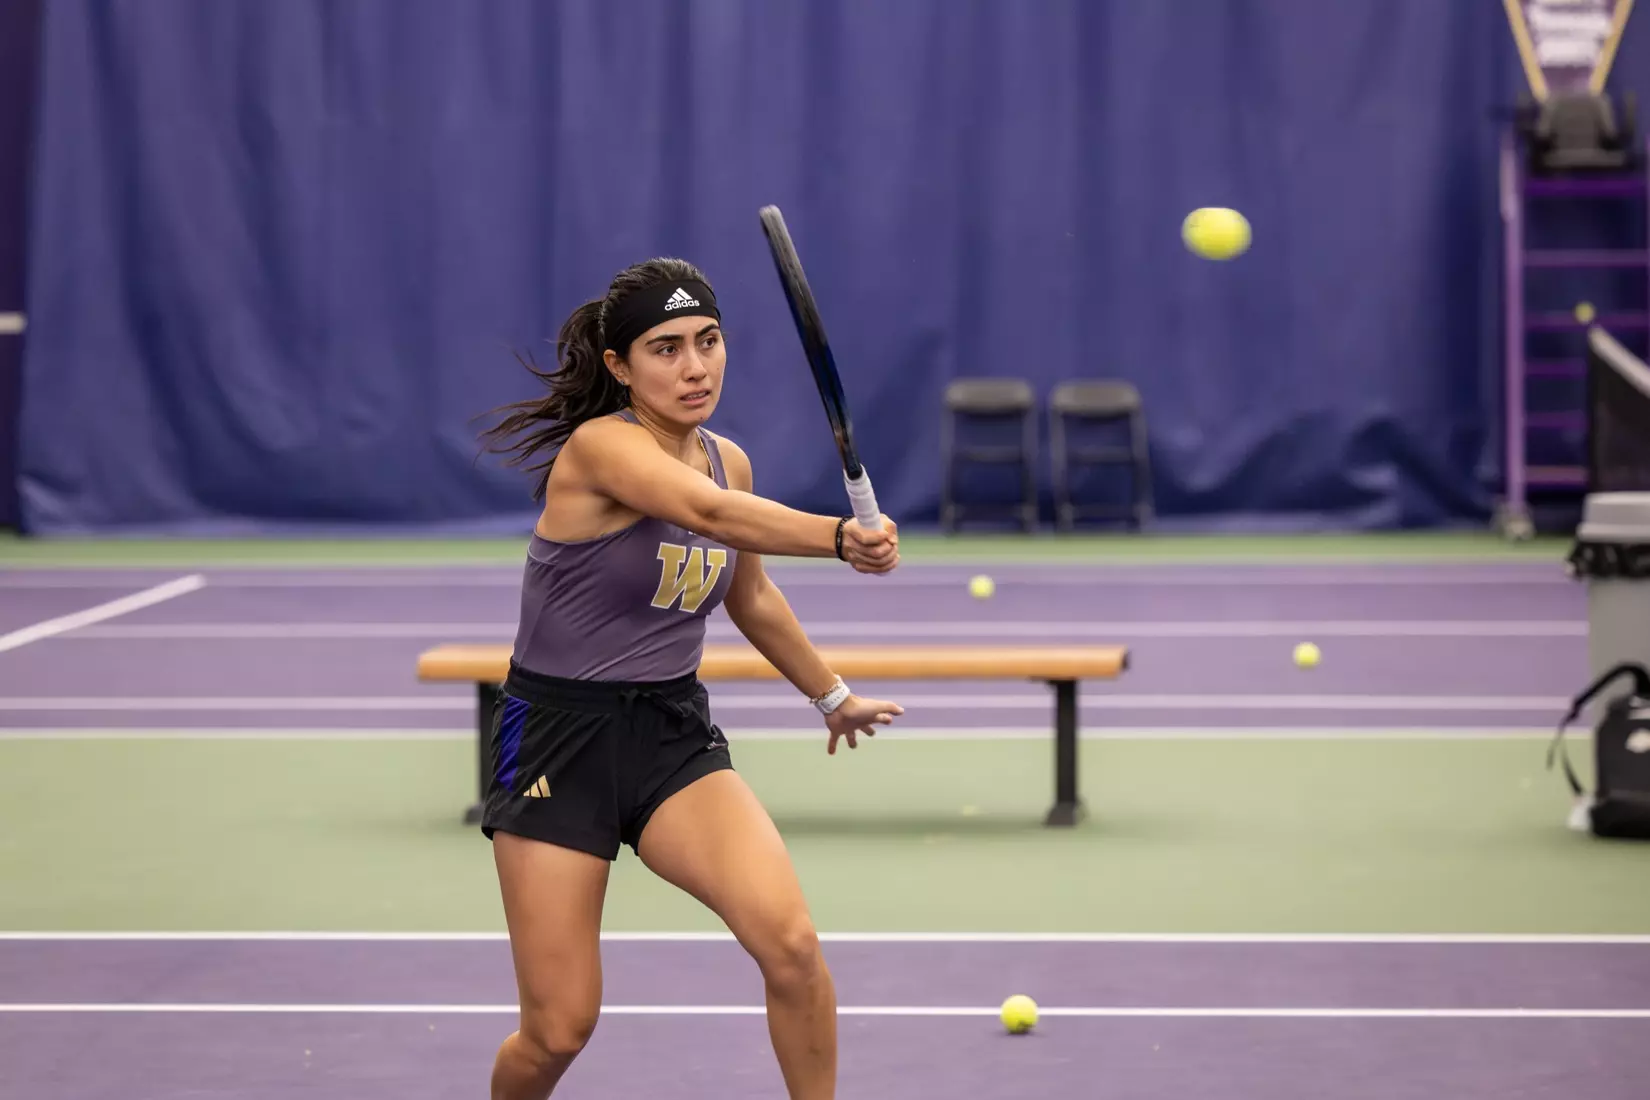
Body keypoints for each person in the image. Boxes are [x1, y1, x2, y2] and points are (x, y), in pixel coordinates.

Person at [475, 256, 903, 1100]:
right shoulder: (601, 448)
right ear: (619, 368)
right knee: (559, 1028)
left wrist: (832, 694)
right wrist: (838, 537)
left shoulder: (728, 460)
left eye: (708, 341)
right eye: (665, 348)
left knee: (791, 944)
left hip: (672, 734)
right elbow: (705, 514)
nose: (695, 365)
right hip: (557, 742)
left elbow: (750, 594)